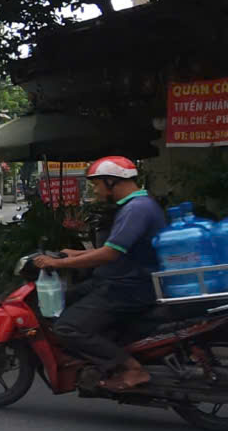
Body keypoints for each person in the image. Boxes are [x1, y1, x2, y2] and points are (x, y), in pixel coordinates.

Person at [33, 156, 166, 390]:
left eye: (96, 184)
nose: (95, 190)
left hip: (129, 287)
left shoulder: (136, 209)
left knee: (67, 328)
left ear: (111, 181)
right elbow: (117, 248)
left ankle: (133, 369)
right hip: (116, 280)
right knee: (62, 301)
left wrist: (61, 264)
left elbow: (109, 254)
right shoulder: (137, 205)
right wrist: (74, 253)